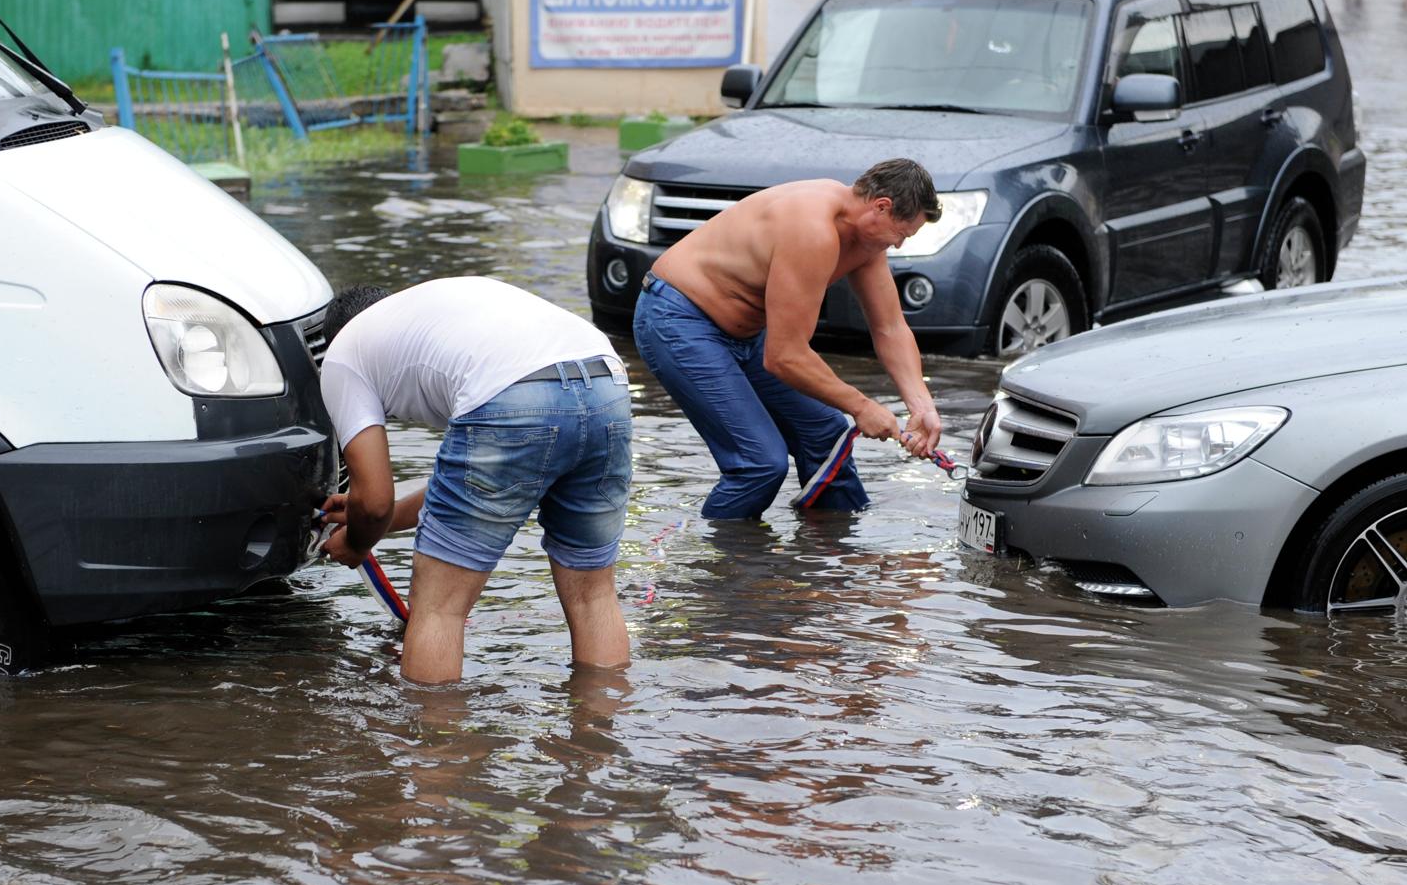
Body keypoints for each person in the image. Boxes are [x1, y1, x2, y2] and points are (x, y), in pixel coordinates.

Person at [317, 277, 633, 684]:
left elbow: (373, 499)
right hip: (606, 382)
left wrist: (359, 540)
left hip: (511, 391)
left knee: (439, 607)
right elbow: (456, 481)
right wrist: (384, 517)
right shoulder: (438, 313)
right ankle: (597, 736)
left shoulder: (344, 352)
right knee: (594, 596)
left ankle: (438, 742)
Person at [632, 159, 946, 520]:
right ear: (881, 207)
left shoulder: (865, 238)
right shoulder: (812, 228)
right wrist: (861, 406)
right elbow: (784, 356)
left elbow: (889, 327)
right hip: (679, 319)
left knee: (827, 434)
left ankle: (835, 558)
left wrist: (921, 406)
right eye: (902, 234)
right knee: (760, 463)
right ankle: (722, 569)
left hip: (748, 333)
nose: (898, 245)